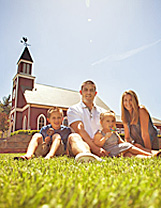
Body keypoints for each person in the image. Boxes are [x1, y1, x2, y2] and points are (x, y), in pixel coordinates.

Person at [67, 80, 109, 159]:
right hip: (81, 143)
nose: (88, 93)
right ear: (81, 92)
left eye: (91, 90)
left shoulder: (103, 112)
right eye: (86, 90)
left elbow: (111, 128)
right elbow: (79, 129)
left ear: (95, 93)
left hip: (99, 144)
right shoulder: (73, 109)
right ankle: (86, 155)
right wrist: (95, 148)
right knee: (74, 136)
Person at [93, 110, 160, 158]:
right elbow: (98, 144)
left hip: (118, 150)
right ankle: (149, 154)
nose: (111, 123)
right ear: (101, 122)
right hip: (110, 151)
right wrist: (105, 138)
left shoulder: (114, 132)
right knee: (128, 146)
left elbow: (120, 142)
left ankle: (146, 157)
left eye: (112, 121)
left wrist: (130, 145)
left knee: (129, 154)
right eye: (108, 121)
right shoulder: (100, 133)